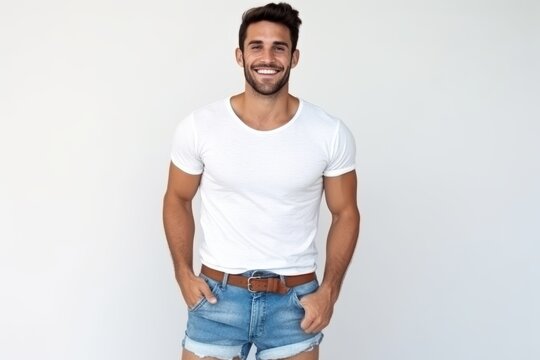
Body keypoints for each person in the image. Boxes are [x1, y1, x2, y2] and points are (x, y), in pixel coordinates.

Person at [163, 3, 360, 359]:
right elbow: (177, 198)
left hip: (295, 305)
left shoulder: (329, 132)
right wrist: (182, 272)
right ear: (240, 55)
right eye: (256, 46)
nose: (267, 57)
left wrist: (329, 290)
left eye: (278, 47)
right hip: (217, 298)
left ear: (294, 57)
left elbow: (346, 212)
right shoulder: (199, 126)